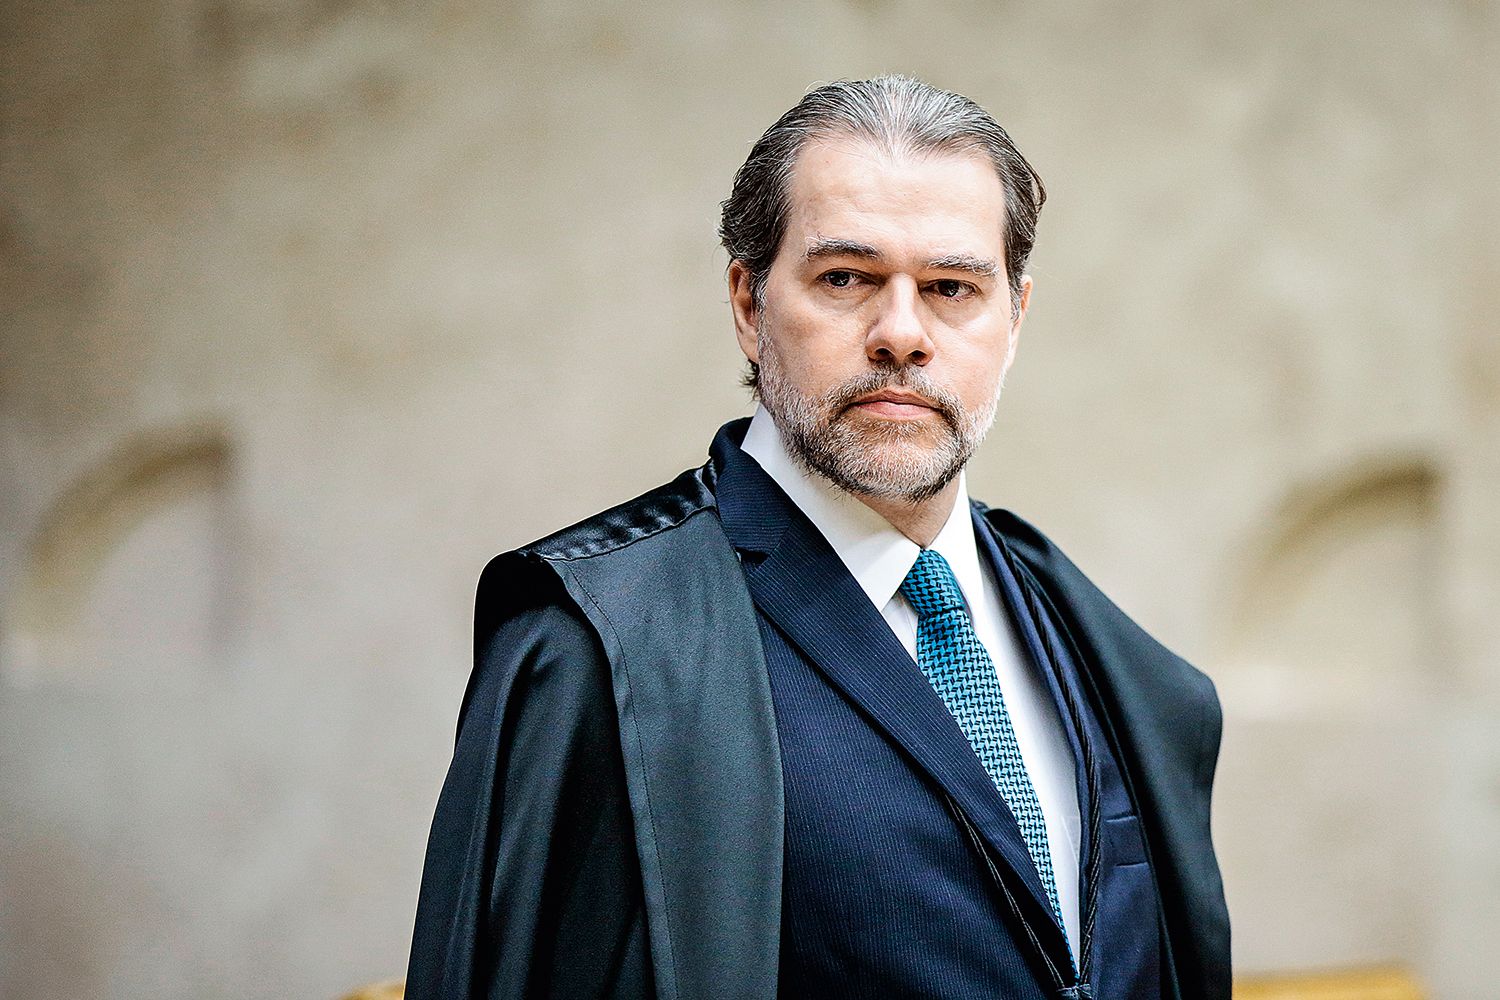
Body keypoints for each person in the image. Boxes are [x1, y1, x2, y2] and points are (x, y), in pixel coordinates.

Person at [407, 75, 1229, 1000]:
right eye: (846, 278)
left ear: (1015, 319)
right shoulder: (593, 644)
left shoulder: (1111, 659)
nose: (902, 335)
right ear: (748, 304)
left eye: (952, 288)